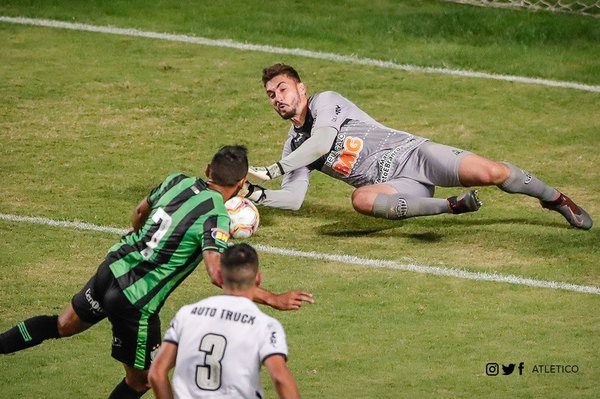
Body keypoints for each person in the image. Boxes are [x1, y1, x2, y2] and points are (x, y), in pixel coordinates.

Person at [0, 145, 314, 398]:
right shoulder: (215, 217)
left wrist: (137, 242)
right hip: (136, 301)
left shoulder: (176, 180)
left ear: (207, 170)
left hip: (111, 268)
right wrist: (272, 298)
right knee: (142, 381)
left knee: (62, 324)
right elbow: (218, 274)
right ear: (242, 184)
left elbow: (139, 212)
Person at [243, 63, 592, 230]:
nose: (277, 98)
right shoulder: (294, 146)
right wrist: (255, 195)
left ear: (301, 89)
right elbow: (293, 199)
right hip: (394, 187)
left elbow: (321, 141)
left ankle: (555, 199)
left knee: (493, 172)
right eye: (271, 95)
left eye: (283, 89)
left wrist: (275, 169)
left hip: (414, 155)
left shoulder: (326, 102)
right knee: (360, 199)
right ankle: (450, 206)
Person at [148, 243, 300, 399]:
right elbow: (280, 378)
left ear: (219, 276)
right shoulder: (264, 325)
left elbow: (157, 373)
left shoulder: (187, 314)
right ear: (258, 279)